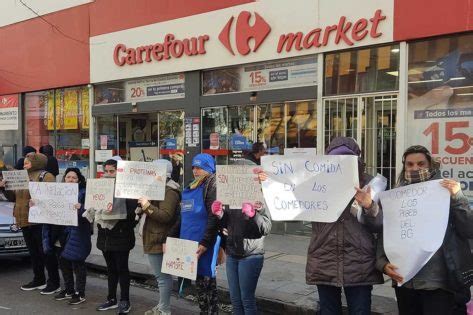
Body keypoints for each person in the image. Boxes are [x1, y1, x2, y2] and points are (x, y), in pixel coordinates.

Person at [376, 145, 473, 315]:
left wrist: (458, 198)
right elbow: (386, 234)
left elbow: (469, 229)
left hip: (440, 284)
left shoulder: (447, 192)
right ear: (404, 166)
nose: (415, 168)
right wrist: (382, 263)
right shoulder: (396, 197)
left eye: (421, 164)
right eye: (410, 164)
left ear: (431, 165)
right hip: (406, 281)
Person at [305, 137, 383, 315]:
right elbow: (290, 203)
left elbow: (380, 226)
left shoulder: (372, 185)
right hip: (324, 262)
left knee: (360, 311)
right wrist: (269, 182)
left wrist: (370, 206)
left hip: (359, 265)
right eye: (335, 158)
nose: (341, 162)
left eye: (347, 158)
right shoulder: (314, 183)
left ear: (357, 159)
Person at [167, 153, 220, 315]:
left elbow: (214, 217)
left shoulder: (213, 185)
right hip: (189, 243)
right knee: (199, 282)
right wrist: (169, 238)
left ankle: (211, 312)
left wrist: (205, 243)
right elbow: (182, 217)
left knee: (207, 281)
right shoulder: (191, 185)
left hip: (204, 243)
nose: (196, 171)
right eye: (194, 168)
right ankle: (204, 311)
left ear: (209, 169)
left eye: (200, 168)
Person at [0, 152, 59, 292]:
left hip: (39, 220)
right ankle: (39, 279)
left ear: (37, 162)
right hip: (24, 219)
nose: (24, 163)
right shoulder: (22, 176)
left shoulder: (46, 176)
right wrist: (4, 187)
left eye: (28, 161)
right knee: (34, 253)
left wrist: (38, 200)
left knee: (45, 252)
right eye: (25, 161)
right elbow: (13, 197)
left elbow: (51, 197)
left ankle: (54, 282)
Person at [211, 197, 271, 315]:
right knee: (235, 300)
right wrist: (220, 214)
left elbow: (266, 228)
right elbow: (227, 224)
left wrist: (254, 214)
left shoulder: (258, 196)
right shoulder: (231, 194)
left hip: (251, 255)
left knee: (247, 300)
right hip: (232, 254)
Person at [137, 159, 180, 315]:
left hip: (159, 239)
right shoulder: (156, 188)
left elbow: (166, 216)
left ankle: (164, 309)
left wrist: (147, 205)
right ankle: (162, 306)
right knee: (160, 277)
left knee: (162, 277)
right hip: (154, 237)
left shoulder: (169, 192)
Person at [96, 158, 137, 314]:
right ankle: (111, 298)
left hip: (120, 234)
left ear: (119, 172)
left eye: (112, 171)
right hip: (105, 234)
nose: (108, 174)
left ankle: (125, 300)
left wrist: (120, 222)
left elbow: (133, 215)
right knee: (111, 268)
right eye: (105, 171)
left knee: (122, 268)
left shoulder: (128, 190)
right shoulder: (100, 187)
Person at [49, 168, 91, 305]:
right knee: (63, 261)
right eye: (68, 177)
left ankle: (80, 293)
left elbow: (90, 214)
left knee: (78, 263)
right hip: (61, 231)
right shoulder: (58, 192)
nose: (71, 180)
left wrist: (82, 208)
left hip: (77, 233)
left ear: (79, 180)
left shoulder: (84, 193)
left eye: (74, 178)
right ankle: (69, 289)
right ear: (64, 178)